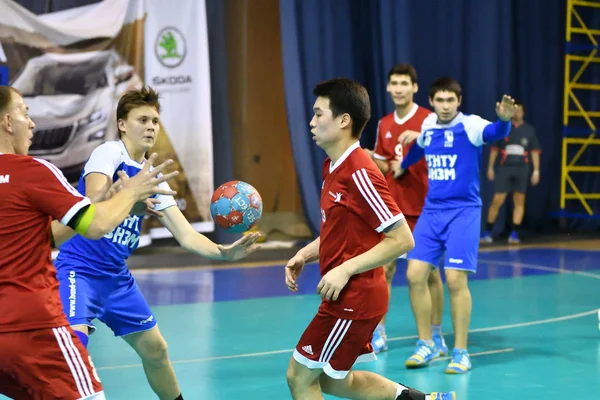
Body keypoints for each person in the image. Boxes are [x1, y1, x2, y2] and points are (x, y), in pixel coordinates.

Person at [54, 87, 262, 400]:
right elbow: (93, 198)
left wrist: (224, 253)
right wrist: (127, 197)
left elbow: (186, 235)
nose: (152, 126)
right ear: (122, 124)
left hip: (115, 278)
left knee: (156, 349)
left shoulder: (153, 177)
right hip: (78, 270)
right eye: (143, 119)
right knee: (73, 348)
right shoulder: (109, 154)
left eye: (155, 120)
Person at [0, 85, 178, 399]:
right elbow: (95, 226)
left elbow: (47, 234)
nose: (32, 123)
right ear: (7, 122)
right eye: (25, 113)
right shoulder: (34, 172)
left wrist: (103, 200)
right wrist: (130, 194)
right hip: (33, 325)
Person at [284, 78, 455, 400]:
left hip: (354, 297)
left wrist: (345, 269)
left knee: (299, 376)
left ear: (343, 121)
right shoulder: (332, 166)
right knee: (334, 381)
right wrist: (304, 255)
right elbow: (338, 232)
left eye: (319, 113)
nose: (311, 121)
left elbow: (402, 239)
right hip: (348, 296)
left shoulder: (359, 171)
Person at [398, 78, 515, 374]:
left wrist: (504, 121)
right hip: (432, 211)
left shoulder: (471, 125)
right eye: (440, 100)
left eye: (451, 100)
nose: (446, 106)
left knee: (454, 280)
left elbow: (495, 132)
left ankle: (461, 352)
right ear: (432, 101)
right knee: (414, 275)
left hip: (464, 212)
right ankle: (427, 343)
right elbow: (420, 147)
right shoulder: (427, 126)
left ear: (459, 101)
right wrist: (403, 166)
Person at [367, 63, 447, 356]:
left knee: (430, 275)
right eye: (394, 83)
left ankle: (435, 335)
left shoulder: (430, 119)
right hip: (393, 208)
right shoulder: (384, 124)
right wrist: (366, 158)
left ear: (414, 87)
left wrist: (422, 140)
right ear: (388, 88)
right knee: (383, 270)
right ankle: (379, 332)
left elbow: (446, 151)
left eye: (404, 83)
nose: (399, 88)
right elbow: (384, 163)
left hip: (425, 208)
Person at [481, 102, 540, 244]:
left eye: (519, 111)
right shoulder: (504, 129)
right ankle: (487, 232)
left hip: (522, 169)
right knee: (497, 200)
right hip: (505, 168)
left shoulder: (529, 130)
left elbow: (534, 152)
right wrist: (490, 167)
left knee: (519, 200)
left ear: (523, 113)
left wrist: (536, 171)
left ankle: (514, 233)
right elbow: (494, 150)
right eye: (515, 111)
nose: (516, 114)